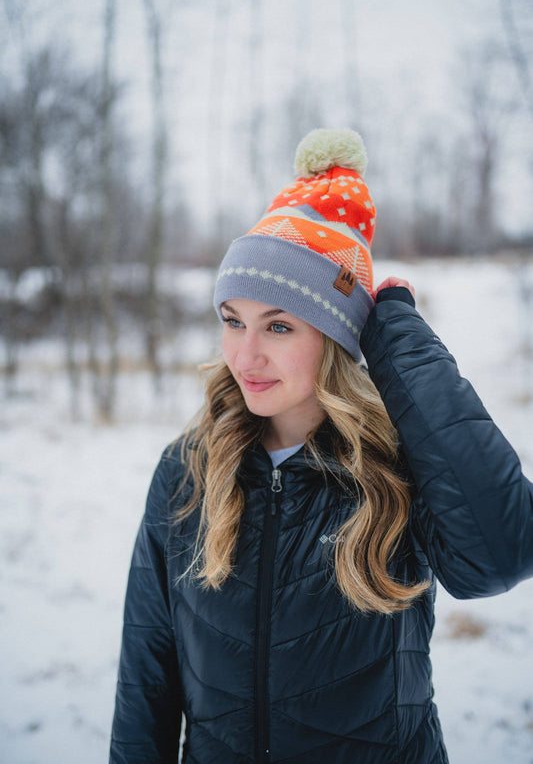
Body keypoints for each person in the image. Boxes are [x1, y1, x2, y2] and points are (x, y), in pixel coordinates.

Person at [109, 129, 533, 764]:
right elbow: (147, 672)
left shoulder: (397, 470)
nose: (245, 355)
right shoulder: (189, 467)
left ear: (338, 338)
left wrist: (395, 337)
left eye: (279, 326)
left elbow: (503, 554)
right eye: (233, 320)